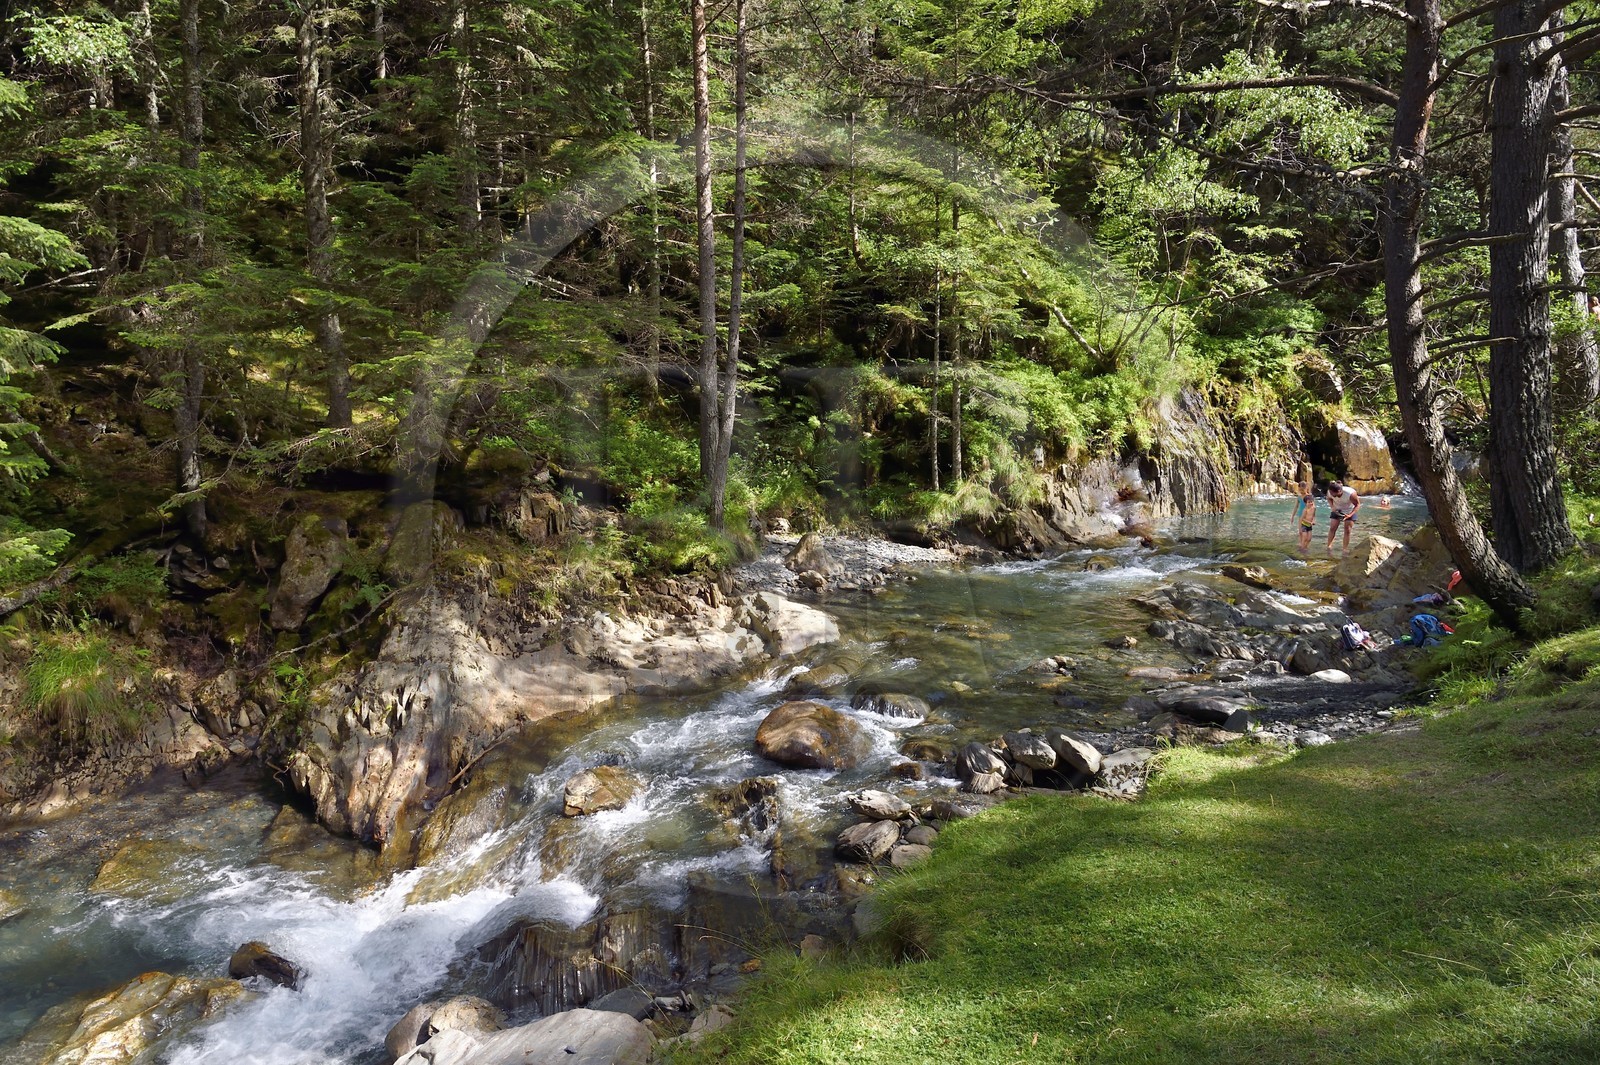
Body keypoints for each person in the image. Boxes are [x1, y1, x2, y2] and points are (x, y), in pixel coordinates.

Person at [1325, 479, 1361, 555]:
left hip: (1349, 510)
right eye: (1330, 493)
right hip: (1337, 509)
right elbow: (1328, 498)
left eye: (1333, 493)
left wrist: (1350, 515)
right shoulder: (1330, 491)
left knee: (1347, 530)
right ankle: (1329, 547)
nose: (1331, 494)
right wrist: (1332, 507)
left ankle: (1344, 549)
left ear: (1339, 491)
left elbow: (1357, 505)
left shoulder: (1350, 493)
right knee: (1332, 528)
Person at [1291, 481, 1318, 553]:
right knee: (1301, 531)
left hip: (1308, 516)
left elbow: (1314, 507)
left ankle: (1305, 545)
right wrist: (1293, 516)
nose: (1301, 491)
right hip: (1301, 516)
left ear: (1306, 488)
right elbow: (1296, 507)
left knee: (1307, 533)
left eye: (1302, 490)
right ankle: (1301, 544)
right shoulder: (1299, 497)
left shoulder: (1309, 497)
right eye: (1300, 490)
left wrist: (1313, 518)